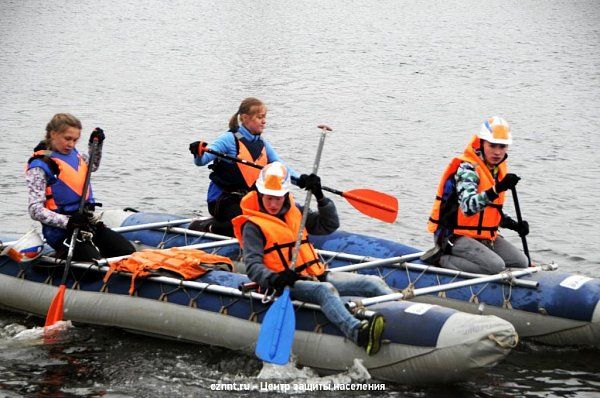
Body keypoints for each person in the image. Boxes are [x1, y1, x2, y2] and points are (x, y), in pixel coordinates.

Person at [232, 162, 394, 355]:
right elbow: (252, 266)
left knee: (372, 282)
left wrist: (320, 197)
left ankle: (398, 318)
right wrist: (275, 278)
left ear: (285, 196)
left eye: (278, 198)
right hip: (283, 284)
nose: (273, 204)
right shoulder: (253, 226)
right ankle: (357, 332)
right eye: (269, 198)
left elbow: (329, 225)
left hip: (314, 274)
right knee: (325, 290)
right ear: (260, 195)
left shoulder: (296, 211)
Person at [426, 116, 530, 274]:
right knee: (496, 266)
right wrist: (497, 189)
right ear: (482, 143)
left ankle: (481, 262)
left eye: (502, 146)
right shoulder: (467, 168)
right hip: (455, 236)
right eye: (492, 145)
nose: (497, 152)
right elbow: (468, 207)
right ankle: (442, 259)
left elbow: (490, 211)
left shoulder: (496, 170)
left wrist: (513, 225)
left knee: (522, 262)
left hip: (483, 237)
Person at [26, 113, 135, 261]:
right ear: (53, 134)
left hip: (86, 223)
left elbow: (92, 166)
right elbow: (35, 210)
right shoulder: (39, 166)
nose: (71, 144)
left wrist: (95, 145)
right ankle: (57, 260)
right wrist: (68, 222)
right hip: (62, 232)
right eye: (67, 139)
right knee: (92, 262)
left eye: (75, 140)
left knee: (127, 251)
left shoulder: (74, 155)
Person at [188, 97, 297, 236]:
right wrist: (197, 152)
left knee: (276, 218)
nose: (264, 121)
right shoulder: (228, 139)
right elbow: (201, 161)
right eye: (260, 117)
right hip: (222, 200)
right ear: (245, 118)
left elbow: (282, 168)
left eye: (265, 117)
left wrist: (305, 180)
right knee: (249, 226)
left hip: (247, 199)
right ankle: (207, 227)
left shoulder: (262, 143)